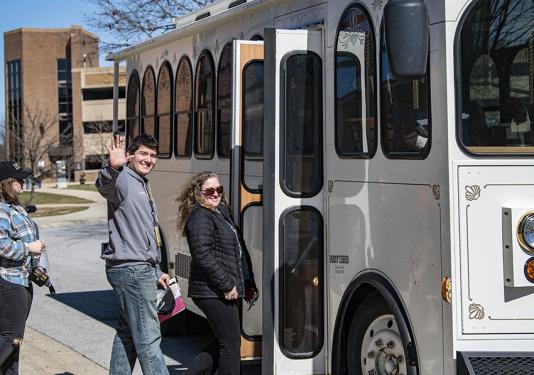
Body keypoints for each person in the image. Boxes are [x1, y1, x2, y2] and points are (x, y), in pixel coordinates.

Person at [96, 134, 170, 375]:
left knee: (127, 334)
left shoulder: (141, 182)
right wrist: (112, 168)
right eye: (143, 154)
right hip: (132, 270)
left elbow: (144, 233)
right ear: (131, 155)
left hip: (139, 268)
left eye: (153, 156)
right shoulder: (123, 179)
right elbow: (105, 185)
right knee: (148, 339)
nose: (149, 160)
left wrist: (156, 270)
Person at [177, 171, 258, 375]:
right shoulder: (200, 215)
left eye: (219, 189)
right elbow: (202, 254)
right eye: (209, 191)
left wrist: (248, 284)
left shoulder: (220, 211)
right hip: (211, 291)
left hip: (220, 289)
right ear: (198, 193)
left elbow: (238, 251)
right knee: (230, 346)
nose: (215, 194)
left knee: (223, 341)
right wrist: (227, 284)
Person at [0, 160, 46, 374]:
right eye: (19, 179)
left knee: (14, 342)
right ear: (7, 183)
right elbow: (2, 245)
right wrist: (29, 247)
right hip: (9, 281)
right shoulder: (1, 210)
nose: (23, 182)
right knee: (12, 337)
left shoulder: (15, 207)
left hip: (23, 279)